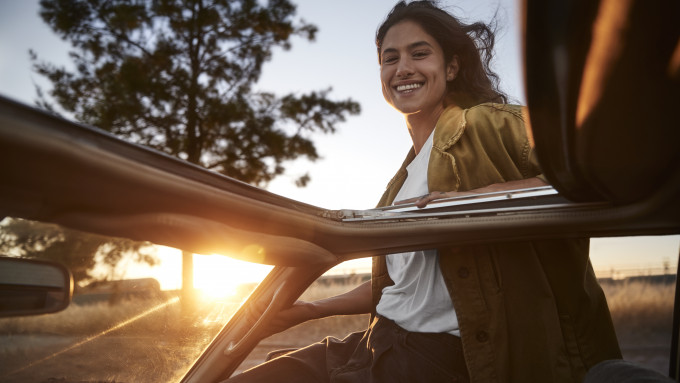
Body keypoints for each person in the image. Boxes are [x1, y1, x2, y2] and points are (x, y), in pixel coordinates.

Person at [225, 1, 621, 382]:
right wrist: (309, 310)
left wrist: (488, 197)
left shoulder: (489, 126)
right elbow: (401, 288)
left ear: (450, 67)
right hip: (374, 344)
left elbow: (605, 164)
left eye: (419, 53)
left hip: (435, 362)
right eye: (390, 58)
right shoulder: (399, 184)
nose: (403, 68)